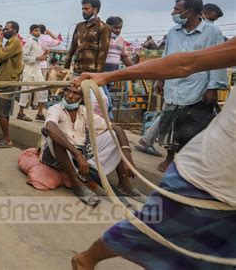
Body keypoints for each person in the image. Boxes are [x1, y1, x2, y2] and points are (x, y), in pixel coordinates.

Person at [70, 38, 236, 270]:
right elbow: (187, 63)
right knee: (146, 232)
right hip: (209, 174)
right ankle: (85, 260)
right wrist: (106, 77)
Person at [154, 0, 226, 172]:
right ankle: (170, 159)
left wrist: (213, 87)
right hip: (174, 86)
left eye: (177, 10)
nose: (174, 13)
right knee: (170, 124)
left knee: (192, 126)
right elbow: (167, 57)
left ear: (190, 11)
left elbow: (217, 61)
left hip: (197, 87)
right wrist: (160, 78)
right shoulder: (173, 32)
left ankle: (189, 162)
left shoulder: (212, 32)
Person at [40, 86, 139, 206]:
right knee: (56, 137)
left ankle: (124, 184)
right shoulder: (55, 109)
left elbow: (117, 128)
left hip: (79, 154)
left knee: (113, 135)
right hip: (56, 155)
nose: (70, 96)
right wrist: (77, 154)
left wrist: (127, 156)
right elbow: (50, 127)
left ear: (82, 98)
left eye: (76, 93)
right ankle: (77, 184)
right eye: (68, 91)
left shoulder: (84, 111)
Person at [0, 21, 23, 148]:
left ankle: (7, 139)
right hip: (4, 80)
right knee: (4, 111)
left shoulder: (15, 42)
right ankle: (4, 137)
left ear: (14, 30)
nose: (4, 31)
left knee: (0, 111)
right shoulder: (10, 43)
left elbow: (2, 55)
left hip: (9, 81)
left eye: (7, 29)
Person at [64, 0, 111, 74]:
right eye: (82, 9)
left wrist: (98, 73)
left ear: (95, 10)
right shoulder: (79, 26)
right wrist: (66, 66)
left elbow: (103, 53)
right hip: (77, 69)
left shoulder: (104, 27)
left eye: (86, 9)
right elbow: (73, 47)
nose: (83, 11)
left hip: (91, 72)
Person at [17, 24, 48, 122]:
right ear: (31, 32)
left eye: (39, 30)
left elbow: (37, 57)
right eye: (35, 30)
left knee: (43, 89)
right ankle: (21, 113)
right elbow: (24, 57)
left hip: (37, 69)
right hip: (29, 70)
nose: (38, 32)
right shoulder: (29, 42)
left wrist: (43, 56)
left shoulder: (38, 42)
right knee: (25, 91)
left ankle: (40, 113)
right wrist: (38, 58)